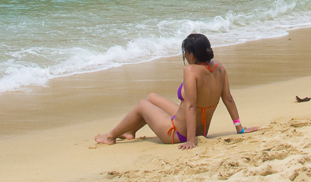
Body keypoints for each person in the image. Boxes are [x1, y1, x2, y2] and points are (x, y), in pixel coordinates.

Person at [95, 33, 249, 149]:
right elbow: (228, 98)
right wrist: (239, 128)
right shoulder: (219, 68)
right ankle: (130, 131)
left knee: (142, 105)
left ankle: (110, 136)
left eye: (186, 53)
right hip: (200, 130)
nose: (185, 56)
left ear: (192, 54)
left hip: (178, 133)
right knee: (152, 97)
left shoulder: (191, 71)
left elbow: (190, 106)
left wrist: (190, 140)